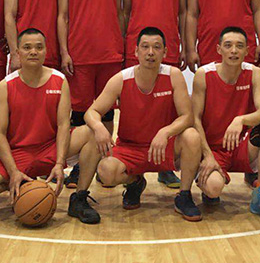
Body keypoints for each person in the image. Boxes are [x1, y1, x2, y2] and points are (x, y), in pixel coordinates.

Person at [0, 29, 102, 225]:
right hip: (18, 153)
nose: (33, 52)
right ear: (17, 52)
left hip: (49, 147)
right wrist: (13, 171)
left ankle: (79, 198)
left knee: (92, 133)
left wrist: (59, 164)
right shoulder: (5, 86)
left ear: (46, 51)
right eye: (27, 47)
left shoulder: (59, 80)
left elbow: (63, 125)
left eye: (39, 47)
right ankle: (24, 185)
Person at [84, 27, 203, 222]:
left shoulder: (173, 75)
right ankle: (135, 182)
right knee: (106, 171)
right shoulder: (121, 79)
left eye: (157, 47)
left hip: (164, 146)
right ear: (136, 51)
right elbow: (91, 112)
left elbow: (187, 117)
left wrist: (166, 132)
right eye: (145, 47)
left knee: (192, 136)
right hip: (131, 148)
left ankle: (184, 195)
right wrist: (98, 127)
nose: (150, 52)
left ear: (165, 52)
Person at [192, 27, 260, 222]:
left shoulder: (254, 73)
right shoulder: (203, 74)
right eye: (228, 45)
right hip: (214, 149)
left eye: (239, 46)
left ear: (247, 51)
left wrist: (240, 120)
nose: (234, 50)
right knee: (213, 188)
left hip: (242, 147)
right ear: (219, 49)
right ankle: (208, 185)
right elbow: (195, 118)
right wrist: (207, 155)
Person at [57, 0, 124, 187]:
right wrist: (65, 51)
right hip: (80, 56)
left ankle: (103, 162)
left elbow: (120, 14)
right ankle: (78, 165)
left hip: (110, 55)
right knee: (79, 114)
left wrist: (122, 47)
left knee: (106, 113)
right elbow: (63, 17)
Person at [123, 0, 187, 189]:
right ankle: (134, 166)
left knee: (167, 109)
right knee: (136, 109)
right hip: (138, 49)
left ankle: (165, 166)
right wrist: (125, 45)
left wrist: (185, 46)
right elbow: (126, 12)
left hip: (168, 48)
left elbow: (183, 14)